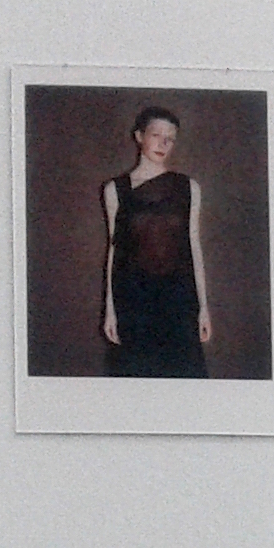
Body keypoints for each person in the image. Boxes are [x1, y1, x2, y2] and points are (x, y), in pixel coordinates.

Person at [101, 105, 212, 377]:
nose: (163, 144)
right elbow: (114, 252)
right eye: (156, 135)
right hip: (134, 301)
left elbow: (194, 247)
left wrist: (203, 308)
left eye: (170, 139)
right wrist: (110, 310)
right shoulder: (115, 190)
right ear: (139, 136)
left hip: (179, 299)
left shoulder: (189, 188)